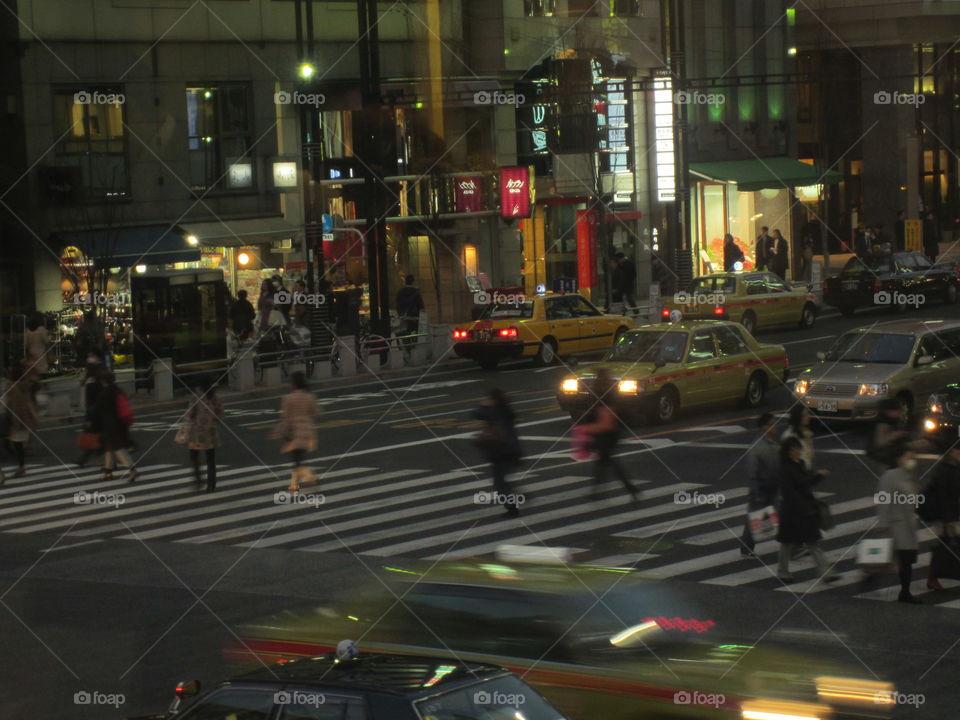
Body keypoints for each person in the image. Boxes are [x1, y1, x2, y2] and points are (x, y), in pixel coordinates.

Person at [776, 436, 836, 582]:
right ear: (787, 452)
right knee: (788, 543)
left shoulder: (800, 464)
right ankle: (783, 571)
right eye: (792, 450)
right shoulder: (785, 469)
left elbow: (806, 484)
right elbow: (790, 492)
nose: (796, 452)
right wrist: (804, 505)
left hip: (803, 510)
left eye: (797, 448)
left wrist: (818, 477)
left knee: (811, 542)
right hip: (793, 511)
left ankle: (826, 573)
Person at [576, 368, 639, 502]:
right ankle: (627, 489)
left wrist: (587, 429)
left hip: (607, 435)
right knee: (607, 462)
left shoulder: (604, 396)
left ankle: (600, 493)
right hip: (610, 434)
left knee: (606, 462)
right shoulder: (609, 393)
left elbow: (606, 422)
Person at [876, 446, 922, 603]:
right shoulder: (890, 476)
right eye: (908, 457)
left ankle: (904, 591)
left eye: (912, 458)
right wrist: (882, 522)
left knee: (905, 560)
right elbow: (883, 500)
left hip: (909, 525)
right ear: (899, 458)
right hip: (898, 526)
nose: (911, 461)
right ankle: (905, 592)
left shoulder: (909, 476)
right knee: (904, 559)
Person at [473, 389, 523, 518]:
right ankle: (514, 499)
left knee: (499, 483)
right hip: (512, 450)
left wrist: (484, 404)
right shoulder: (506, 410)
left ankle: (512, 507)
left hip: (500, 451)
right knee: (503, 480)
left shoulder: (493, 411)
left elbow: (477, 414)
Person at [740, 412, 781, 556]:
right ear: (764, 427)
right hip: (761, 490)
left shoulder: (774, 444)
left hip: (772, 488)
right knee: (755, 519)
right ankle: (746, 548)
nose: (775, 427)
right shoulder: (757, 447)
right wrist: (756, 493)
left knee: (774, 515)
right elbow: (752, 473)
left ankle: (790, 544)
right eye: (772, 424)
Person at [921, 447, 960, 591]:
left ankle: (933, 577)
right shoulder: (945, 470)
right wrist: (949, 521)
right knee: (944, 547)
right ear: (951, 453)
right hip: (947, 517)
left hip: (951, 515)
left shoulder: (953, 467)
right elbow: (944, 498)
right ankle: (932, 578)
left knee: (944, 547)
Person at [274, 371, 320, 492]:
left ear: (293, 384)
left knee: (297, 458)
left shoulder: (288, 398)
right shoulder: (309, 397)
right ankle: (295, 483)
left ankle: (307, 477)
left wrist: (279, 431)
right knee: (298, 457)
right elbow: (315, 411)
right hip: (307, 431)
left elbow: (285, 417)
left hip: (293, 431)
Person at [90, 372, 139, 482]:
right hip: (119, 424)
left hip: (110, 425)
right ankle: (108, 473)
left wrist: (91, 421)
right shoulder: (117, 390)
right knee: (109, 448)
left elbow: (97, 409)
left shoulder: (105, 393)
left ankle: (132, 470)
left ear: (103, 381)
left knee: (118, 449)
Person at [184, 382, 224, 493]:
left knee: (194, 455)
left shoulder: (195, 396)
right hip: (211, 432)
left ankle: (198, 480)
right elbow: (220, 413)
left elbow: (190, 414)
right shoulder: (214, 397)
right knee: (210, 459)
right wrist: (213, 421)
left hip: (197, 433)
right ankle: (211, 484)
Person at [2, 367, 37, 478]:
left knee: (11, 444)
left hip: (14, 420)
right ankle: (21, 467)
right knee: (18, 445)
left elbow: (9, 404)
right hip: (24, 419)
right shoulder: (25, 386)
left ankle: (19, 468)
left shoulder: (11, 387)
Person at [865, 399, 908, 474]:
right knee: (887, 469)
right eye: (898, 411)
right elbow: (880, 442)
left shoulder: (892, 419)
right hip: (881, 451)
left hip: (889, 450)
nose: (900, 413)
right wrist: (895, 435)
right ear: (889, 411)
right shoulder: (883, 423)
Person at [76, 357, 105, 467]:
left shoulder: (90, 384)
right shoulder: (99, 382)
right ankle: (85, 459)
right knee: (98, 437)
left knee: (93, 437)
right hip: (101, 413)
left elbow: (89, 403)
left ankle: (84, 459)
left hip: (94, 414)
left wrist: (88, 418)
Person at [781, 405, 815, 471]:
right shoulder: (789, 436)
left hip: (806, 472)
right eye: (804, 415)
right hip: (796, 475)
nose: (808, 417)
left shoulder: (807, 433)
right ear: (797, 417)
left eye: (808, 414)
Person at [396, 274, 425, 344]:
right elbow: (420, 305)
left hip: (404, 315)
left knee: (406, 331)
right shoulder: (416, 292)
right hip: (414, 316)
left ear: (405, 282)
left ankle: (406, 345)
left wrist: (400, 313)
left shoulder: (400, 292)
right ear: (413, 282)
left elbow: (397, 304)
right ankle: (413, 343)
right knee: (415, 331)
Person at [24, 313, 50, 379]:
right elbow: (47, 343)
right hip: (41, 357)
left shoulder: (27, 332)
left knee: (34, 378)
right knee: (42, 376)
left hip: (32, 358)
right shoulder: (41, 330)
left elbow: (26, 347)